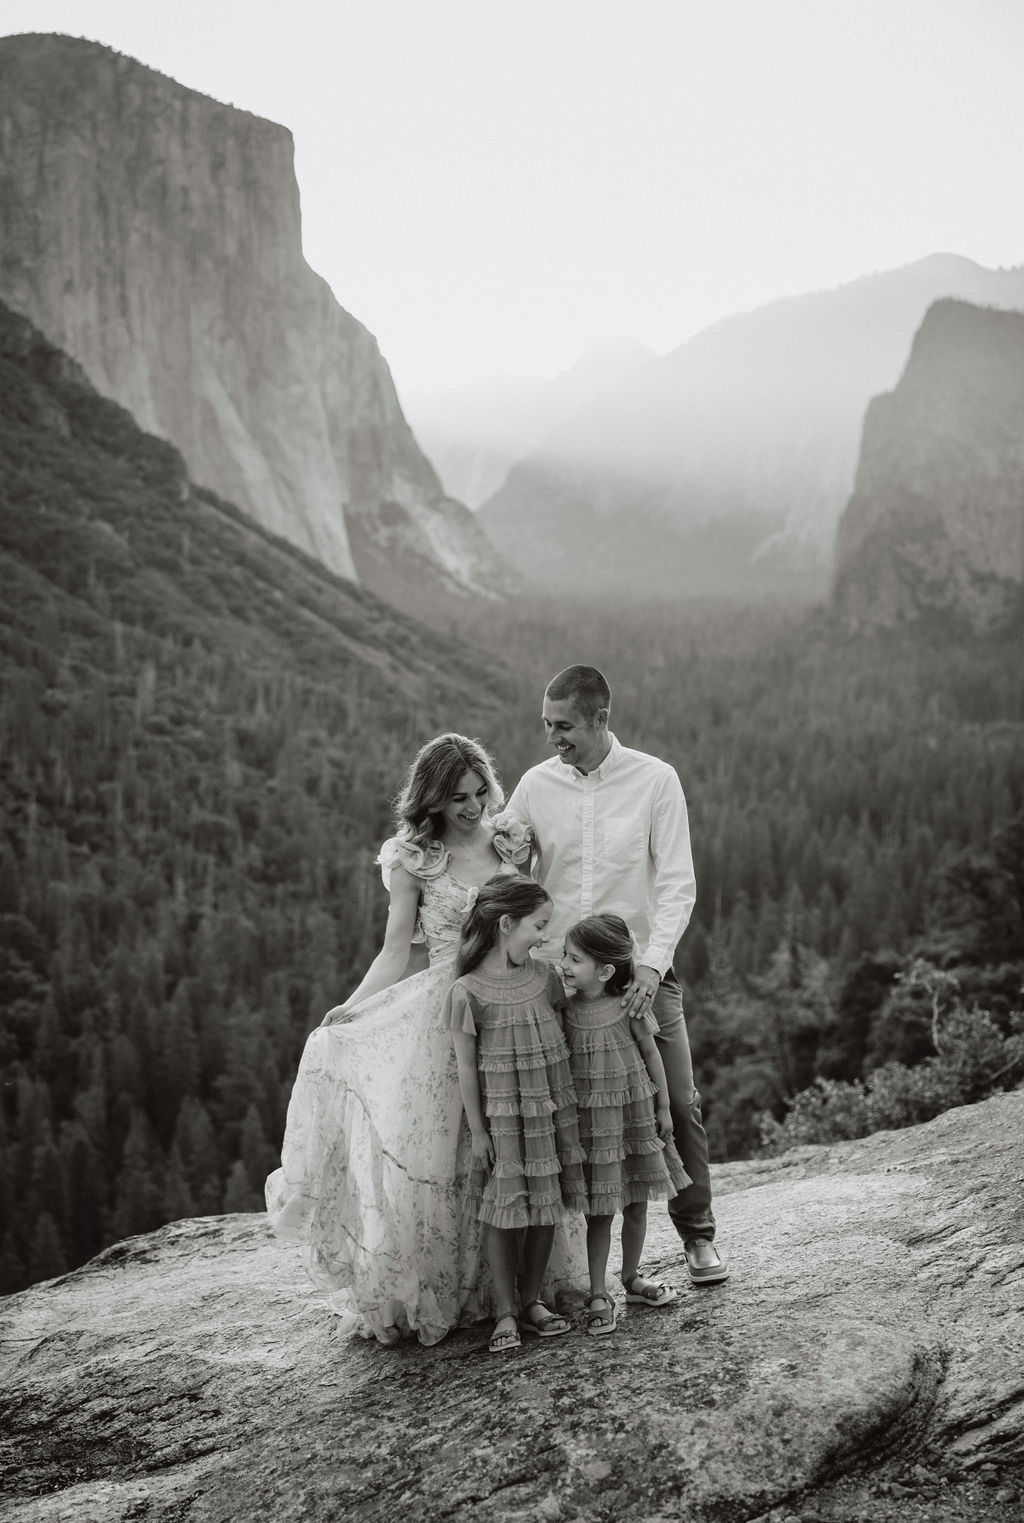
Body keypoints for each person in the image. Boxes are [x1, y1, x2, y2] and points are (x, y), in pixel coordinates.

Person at [265, 733, 533, 1346]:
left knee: (512, 1139)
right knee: (449, 1150)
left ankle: (519, 1288)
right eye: (458, 797)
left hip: (510, 1005)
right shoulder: (415, 858)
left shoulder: (512, 840)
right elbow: (394, 951)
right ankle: (454, 1288)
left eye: (479, 792)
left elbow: (535, 921)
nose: (472, 807)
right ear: (433, 800)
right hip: (441, 1011)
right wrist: (353, 1010)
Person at [503, 664, 728, 1285]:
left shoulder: (656, 780)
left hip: (639, 979)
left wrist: (653, 968)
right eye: (547, 725)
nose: (554, 738)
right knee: (554, 1115)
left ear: (601, 718)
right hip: (555, 983)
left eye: (565, 725)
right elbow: (504, 871)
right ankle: (561, 1271)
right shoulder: (534, 786)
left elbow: (678, 884)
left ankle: (698, 1237)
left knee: (677, 1102)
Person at [444, 876, 587, 1353]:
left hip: (550, 1110)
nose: (545, 936)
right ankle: (504, 1310)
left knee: (546, 1202)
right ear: (506, 924)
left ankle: (531, 1302)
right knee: (502, 1213)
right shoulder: (467, 991)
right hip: (502, 1118)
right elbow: (465, 1067)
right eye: (539, 925)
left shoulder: (545, 978)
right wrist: (479, 1132)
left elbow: (569, 1035)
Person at [560, 914, 690, 1334]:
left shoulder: (627, 1005)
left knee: (635, 1203)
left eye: (573, 958)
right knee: (601, 1210)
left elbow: (653, 1056)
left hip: (635, 1113)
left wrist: (665, 1108)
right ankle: (599, 1291)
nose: (563, 964)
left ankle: (632, 1277)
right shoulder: (565, 1011)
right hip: (595, 1127)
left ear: (605, 971)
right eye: (565, 955)